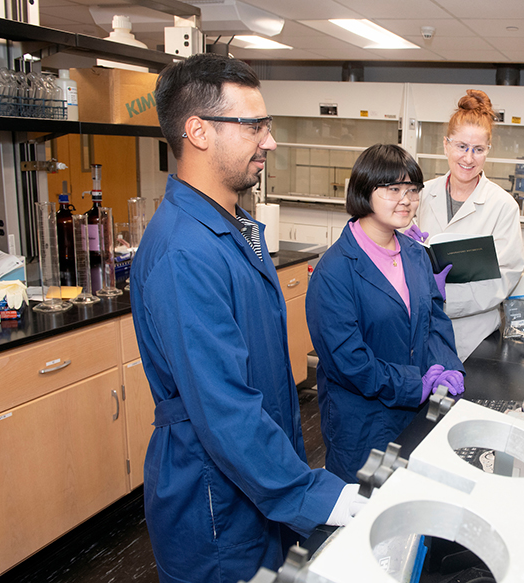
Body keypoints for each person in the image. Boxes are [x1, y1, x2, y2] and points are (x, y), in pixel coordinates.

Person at [130, 53, 363, 583]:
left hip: (256, 483)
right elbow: (223, 408)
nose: (270, 141)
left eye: (268, 125)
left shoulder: (233, 230)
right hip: (213, 504)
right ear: (198, 132)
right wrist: (313, 493)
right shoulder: (183, 253)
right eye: (253, 125)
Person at [306, 144, 465, 483]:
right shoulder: (335, 270)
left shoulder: (415, 254)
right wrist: (414, 384)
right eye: (393, 189)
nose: (406, 200)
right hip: (362, 424)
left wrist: (446, 368)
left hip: (415, 414)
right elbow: (348, 360)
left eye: (412, 190)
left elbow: (433, 320)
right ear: (365, 190)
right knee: (362, 519)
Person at [413, 89, 524, 361]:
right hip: (420, 328)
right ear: (446, 145)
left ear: (488, 151)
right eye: (461, 146)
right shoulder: (422, 194)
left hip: (473, 338)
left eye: (478, 149)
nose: (468, 158)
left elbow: (505, 276)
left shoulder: (502, 205)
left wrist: (444, 299)